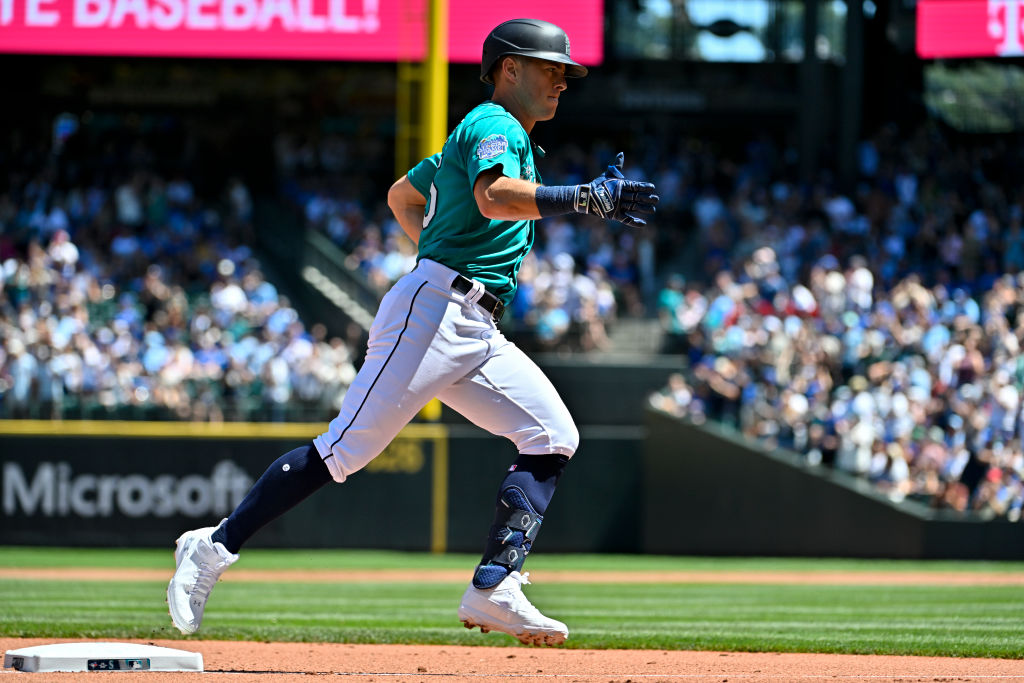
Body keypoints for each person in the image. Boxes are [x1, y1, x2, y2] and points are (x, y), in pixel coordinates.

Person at [166, 17, 658, 647]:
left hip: (473, 320)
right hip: (436, 310)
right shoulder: (494, 122)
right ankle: (212, 546)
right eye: (550, 68)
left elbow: (403, 195)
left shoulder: (485, 137)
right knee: (343, 452)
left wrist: (436, 247)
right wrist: (579, 199)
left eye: (565, 72)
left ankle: (494, 586)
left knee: (552, 434)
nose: (562, 81)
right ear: (509, 69)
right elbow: (493, 197)